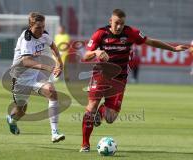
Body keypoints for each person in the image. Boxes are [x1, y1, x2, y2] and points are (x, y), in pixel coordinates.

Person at [80, 9, 189, 152]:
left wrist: (173, 49)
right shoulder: (100, 33)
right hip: (101, 75)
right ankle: (85, 145)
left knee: (111, 118)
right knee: (91, 106)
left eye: (122, 23)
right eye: (116, 23)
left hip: (119, 79)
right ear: (110, 22)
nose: (119, 26)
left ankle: (100, 113)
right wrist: (96, 52)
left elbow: (151, 41)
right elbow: (85, 56)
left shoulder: (131, 32)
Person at [6, 12, 65, 143]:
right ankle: (12, 119)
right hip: (20, 79)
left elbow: (53, 46)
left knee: (52, 92)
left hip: (35, 76)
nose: (41, 30)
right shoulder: (26, 38)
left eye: (43, 27)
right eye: (38, 27)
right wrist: (49, 68)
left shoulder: (44, 34)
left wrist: (59, 62)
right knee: (21, 111)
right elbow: (26, 61)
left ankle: (55, 132)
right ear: (30, 26)